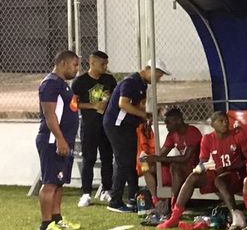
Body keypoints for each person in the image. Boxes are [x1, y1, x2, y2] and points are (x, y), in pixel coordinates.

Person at [157, 111, 247, 230]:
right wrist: (204, 167)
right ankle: (174, 217)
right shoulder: (207, 139)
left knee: (219, 180)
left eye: (226, 120)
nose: (225, 123)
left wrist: (230, 167)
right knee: (194, 176)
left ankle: (236, 216)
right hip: (217, 172)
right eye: (221, 121)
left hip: (235, 174)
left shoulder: (238, 135)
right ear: (212, 124)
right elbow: (203, 162)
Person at [102, 59, 169, 213]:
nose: (158, 80)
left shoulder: (142, 84)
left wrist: (145, 117)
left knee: (132, 160)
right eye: (158, 75)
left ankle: (133, 196)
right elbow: (123, 104)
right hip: (117, 125)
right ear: (149, 70)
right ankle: (115, 201)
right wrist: (143, 115)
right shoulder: (131, 82)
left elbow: (139, 106)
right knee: (123, 161)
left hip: (128, 125)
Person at [35, 50, 81, 230]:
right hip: (52, 140)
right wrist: (59, 139)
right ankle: (45, 226)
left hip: (63, 140)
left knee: (59, 182)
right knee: (50, 183)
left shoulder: (62, 84)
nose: (77, 69)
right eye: (75, 65)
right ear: (63, 63)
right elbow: (49, 114)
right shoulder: (50, 84)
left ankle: (56, 218)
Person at [72, 50, 116, 207]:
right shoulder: (80, 82)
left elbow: (115, 98)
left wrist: (108, 100)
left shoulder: (109, 80)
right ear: (92, 63)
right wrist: (92, 105)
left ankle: (106, 190)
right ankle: (86, 193)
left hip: (106, 126)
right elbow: (73, 104)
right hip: (89, 126)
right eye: (102, 64)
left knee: (107, 158)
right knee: (88, 159)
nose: (105, 67)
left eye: (106, 64)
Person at [139, 108, 202, 210]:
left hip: (194, 169)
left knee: (175, 166)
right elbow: (162, 154)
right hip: (179, 168)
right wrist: (148, 158)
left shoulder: (192, 132)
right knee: (145, 165)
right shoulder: (172, 134)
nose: (166, 126)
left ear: (178, 120)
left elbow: (186, 158)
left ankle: (173, 203)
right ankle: (155, 200)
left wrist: (159, 158)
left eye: (168, 123)